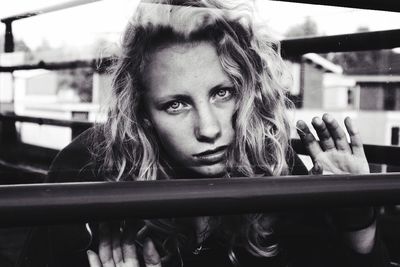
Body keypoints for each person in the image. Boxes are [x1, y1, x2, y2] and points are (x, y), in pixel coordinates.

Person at [18, 0, 389, 266]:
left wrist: (355, 213)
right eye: (175, 105)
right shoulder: (86, 169)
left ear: (247, 92)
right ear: (142, 113)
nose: (209, 130)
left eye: (222, 93)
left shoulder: (273, 162)